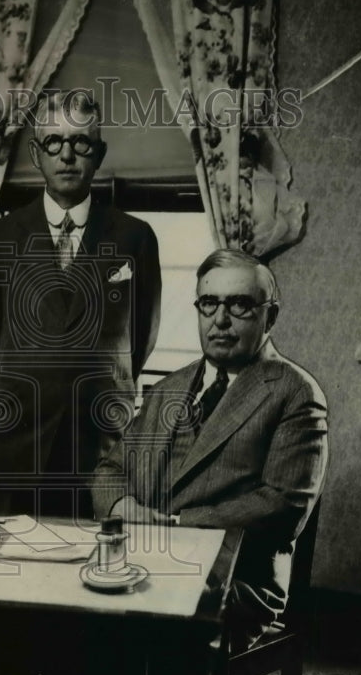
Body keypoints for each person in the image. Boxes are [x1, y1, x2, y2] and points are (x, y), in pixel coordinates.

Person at [91, 248, 327, 651]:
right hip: (148, 564)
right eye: (209, 303)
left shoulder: (295, 393)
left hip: (234, 581)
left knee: (123, 633)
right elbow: (109, 470)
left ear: (269, 316)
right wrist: (122, 509)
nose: (220, 320)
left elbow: (282, 505)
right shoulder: (169, 388)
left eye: (239, 305)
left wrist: (177, 528)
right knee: (66, 617)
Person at [0, 90, 161, 520]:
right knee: (11, 571)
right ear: (36, 154)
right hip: (17, 443)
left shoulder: (135, 237)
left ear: (100, 153)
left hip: (101, 447)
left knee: (99, 572)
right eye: (53, 141)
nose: (67, 155)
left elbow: (140, 341)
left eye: (81, 142)